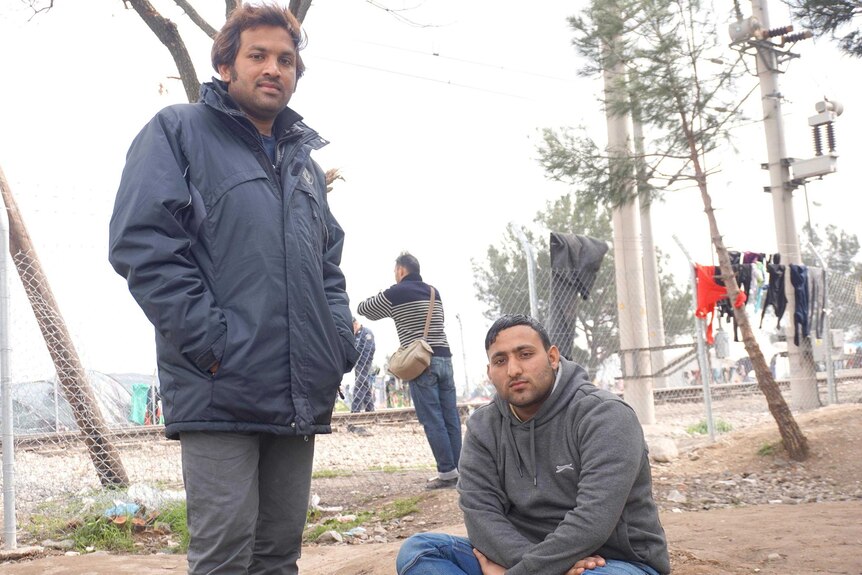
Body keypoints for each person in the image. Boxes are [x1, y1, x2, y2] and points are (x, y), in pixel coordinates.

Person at [108, 4, 358, 574]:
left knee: (278, 556)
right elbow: (144, 245)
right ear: (225, 65)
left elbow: (328, 267)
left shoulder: (304, 166)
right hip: (221, 387)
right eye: (259, 56)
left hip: (298, 390)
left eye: (287, 60)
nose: (274, 69)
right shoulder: (177, 132)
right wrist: (212, 342)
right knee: (223, 556)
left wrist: (337, 342)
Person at [396, 315, 670, 575]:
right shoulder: (483, 427)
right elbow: (481, 516)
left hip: (609, 561)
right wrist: (536, 567)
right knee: (420, 551)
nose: (514, 370)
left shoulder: (605, 415)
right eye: (500, 360)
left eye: (525, 355)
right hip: (521, 558)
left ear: (552, 357)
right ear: (490, 372)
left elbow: (593, 521)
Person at [357, 252, 462, 489]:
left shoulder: (397, 293)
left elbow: (365, 309)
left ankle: (447, 473)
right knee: (451, 417)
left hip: (422, 362)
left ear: (401, 270)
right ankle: (462, 471)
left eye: (395, 271)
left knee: (432, 419)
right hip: (445, 357)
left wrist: (389, 295)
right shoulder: (434, 291)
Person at [351, 317, 377, 412]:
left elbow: (369, 350)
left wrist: (362, 363)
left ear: (355, 324)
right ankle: (370, 410)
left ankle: (355, 411)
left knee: (359, 386)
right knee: (365, 387)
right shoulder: (355, 336)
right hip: (358, 366)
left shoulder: (366, 333)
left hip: (364, 365)